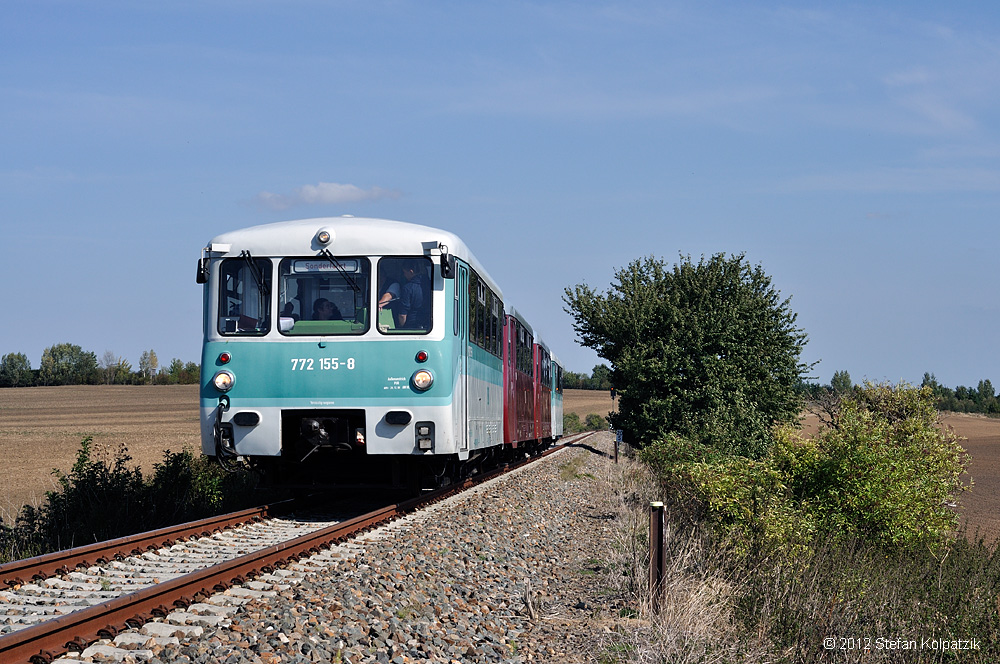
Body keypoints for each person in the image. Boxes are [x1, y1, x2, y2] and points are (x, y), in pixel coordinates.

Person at [398, 260, 431, 330]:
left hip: (412, 324)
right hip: (428, 323)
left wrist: (401, 327)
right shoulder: (430, 285)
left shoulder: (407, 288)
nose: (404, 275)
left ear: (411, 272)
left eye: (405, 272)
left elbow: (402, 314)